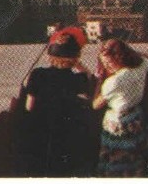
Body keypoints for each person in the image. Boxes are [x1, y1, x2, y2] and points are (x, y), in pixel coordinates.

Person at [20, 26, 94, 176]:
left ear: (50, 56)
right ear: (75, 57)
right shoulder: (77, 79)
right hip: (66, 131)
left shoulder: (37, 74)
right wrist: (77, 64)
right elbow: (89, 76)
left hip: (40, 129)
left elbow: (29, 106)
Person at [92, 38, 148, 177]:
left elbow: (96, 104)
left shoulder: (113, 81)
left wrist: (99, 79)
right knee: (136, 157)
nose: (107, 66)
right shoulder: (140, 66)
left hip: (118, 122)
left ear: (119, 58)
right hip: (135, 117)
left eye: (109, 62)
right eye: (104, 63)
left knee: (118, 162)